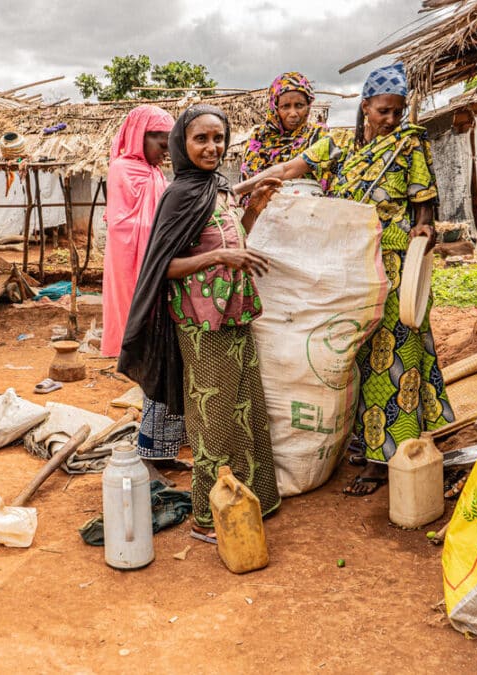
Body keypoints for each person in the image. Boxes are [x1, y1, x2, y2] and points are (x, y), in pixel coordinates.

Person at [235, 63, 454, 496]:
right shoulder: (336, 144)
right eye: (383, 111)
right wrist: (236, 192)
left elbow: (424, 204)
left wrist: (424, 231)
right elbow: (291, 169)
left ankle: (383, 461)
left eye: (397, 111)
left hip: (390, 262)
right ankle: (362, 440)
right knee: (345, 356)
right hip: (346, 262)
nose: (391, 120)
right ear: (365, 105)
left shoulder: (409, 146)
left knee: (393, 359)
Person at [119, 105, 282, 542]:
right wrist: (217, 257)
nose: (212, 148)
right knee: (212, 416)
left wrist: (255, 210)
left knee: (245, 406)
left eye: (218, 138)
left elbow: (235, 239)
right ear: (182, 144)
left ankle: (251, 496)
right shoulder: (179, 194)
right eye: (201, 139)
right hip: (200, 323)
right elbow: (162, 266)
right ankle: (209, 517)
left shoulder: (218, 188)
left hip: (236, 312)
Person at [99, 105, 188, 470]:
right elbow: (127, 229)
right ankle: (150, 452)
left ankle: (164, 449)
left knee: (169, 361)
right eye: (157, 138)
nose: (164, 147)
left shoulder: (154, 173)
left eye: (168, 140)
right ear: (139, 136)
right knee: (153, 361)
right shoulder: (123, 170)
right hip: (137, 277)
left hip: (158, 274)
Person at [239, 71, 328, 190]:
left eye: (299, 105)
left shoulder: (318, 136)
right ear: (274, 108)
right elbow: (246, 183)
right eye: (285, 106)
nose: (293, 114)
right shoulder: (258, 138)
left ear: (308, 106)